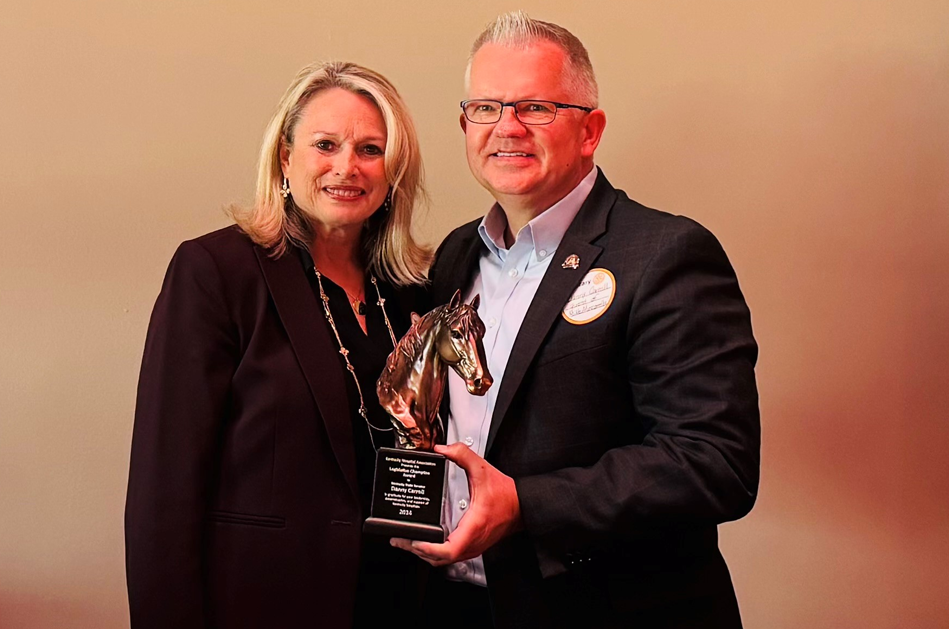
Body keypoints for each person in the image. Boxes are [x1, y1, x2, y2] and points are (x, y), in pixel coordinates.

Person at [392, 12, 761, 629]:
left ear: (590, 131)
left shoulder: (665, 254)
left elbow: (714, 461)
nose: (506, 128)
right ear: (465, 125)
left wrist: (526, 504)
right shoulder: (453, 258)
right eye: (485, 108)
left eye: (536, 107)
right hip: (458, 607)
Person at [125, 61, 430, 628]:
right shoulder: (217, 271)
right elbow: (163, 491)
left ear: (393, 170)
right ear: (286, 159)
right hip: (262, 603)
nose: (347, 167)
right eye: (325, 145)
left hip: (395, 600)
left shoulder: (412, 291)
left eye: (370, 149)